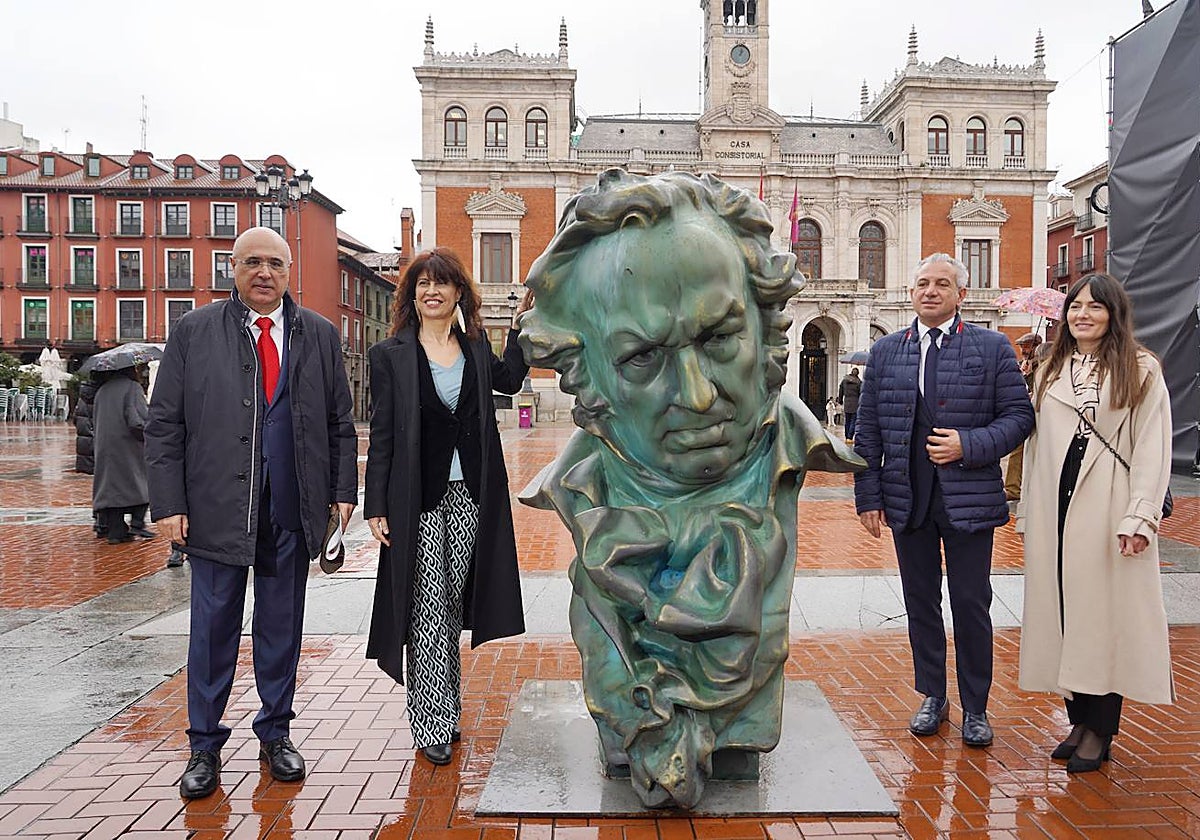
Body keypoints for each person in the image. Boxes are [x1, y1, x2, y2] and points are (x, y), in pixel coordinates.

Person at [518, 169, 862, 808]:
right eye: (642, 358)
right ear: (584, 371)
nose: (700, 396)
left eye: (719, 337)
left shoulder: (791, 445)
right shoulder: (580, 488)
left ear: (765, 328)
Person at [145, 227, 358, 800]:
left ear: (291, 272)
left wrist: (343, 494)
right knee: (212, 629)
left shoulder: (317, 333)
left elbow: (340, 422)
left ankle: (276, 733)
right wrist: (167, 503)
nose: (265, 273)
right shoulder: (194, 332)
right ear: (232, 269)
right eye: (252, 263)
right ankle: (204, 746)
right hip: (216, 509)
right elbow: (165, 424)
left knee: (281, 627)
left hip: (291, 507)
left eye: (276, 264)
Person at [854, 253, 1034, 748]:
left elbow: (1019, 418)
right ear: (911, 292)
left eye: (941, 284)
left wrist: (968, 445)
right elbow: (866, 431)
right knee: (920, 603)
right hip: (907, 499)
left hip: (968, 497)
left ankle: (976, 706)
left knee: (971, 604)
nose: (929, 291)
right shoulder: (887, 351)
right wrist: (867, 496)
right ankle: (932, 694)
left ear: (960, 294)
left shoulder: (993, 347)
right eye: (922, 284)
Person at [364, 247, 530, 767]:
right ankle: (432, 722)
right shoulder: (390, 355)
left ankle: (445, 704)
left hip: (472, 495)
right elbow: (384, 433)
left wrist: (521, 328)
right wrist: (376, 504)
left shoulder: (477, 348)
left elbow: (509, 381)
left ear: (459, 292)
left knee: (452, 603)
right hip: (416, 499)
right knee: (427, 606)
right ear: (412, 297)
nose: (431, 292)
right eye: (422, 285)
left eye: (442, 284)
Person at [1017, 274, 1173, 773]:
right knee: (1064, 616)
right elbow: (1035, 447)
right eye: (1076, 306)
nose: (1083, 315)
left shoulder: (1141, 369)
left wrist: (1140, 516)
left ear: (1114, 313)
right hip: (1055, 503)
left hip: (1110, 503)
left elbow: (1152, 447)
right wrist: (1027, 511)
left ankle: (1101, 730)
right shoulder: (1050, 369)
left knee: (1103, 620)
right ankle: (1078, 720)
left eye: (1095, 307)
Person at [92, 366, 154, 544]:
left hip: (104, 446)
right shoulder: (132, 388)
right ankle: (137, 523)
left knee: (110, 490)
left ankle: (116, 532)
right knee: (141, 484)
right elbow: (137, 420)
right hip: (128, 445)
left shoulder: (102, 390)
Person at [1003, 333, 1043, 501]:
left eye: (1026, 346)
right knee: (1016, 449)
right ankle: (1012, 488)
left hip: (1040, 413)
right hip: (1023, 412)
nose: (1023, 350)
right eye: (1021, 346)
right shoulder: (1021, 365)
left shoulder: (1044, 365)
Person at [838, 366, 862, 441]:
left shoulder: (844, 380)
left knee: (847, 420)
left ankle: (846, 436)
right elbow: (861, 393)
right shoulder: (859, 382)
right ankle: (850, 436)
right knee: (853, 421)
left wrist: (840, 400)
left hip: (847, 402)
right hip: (855, 402)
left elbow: (840, 390)